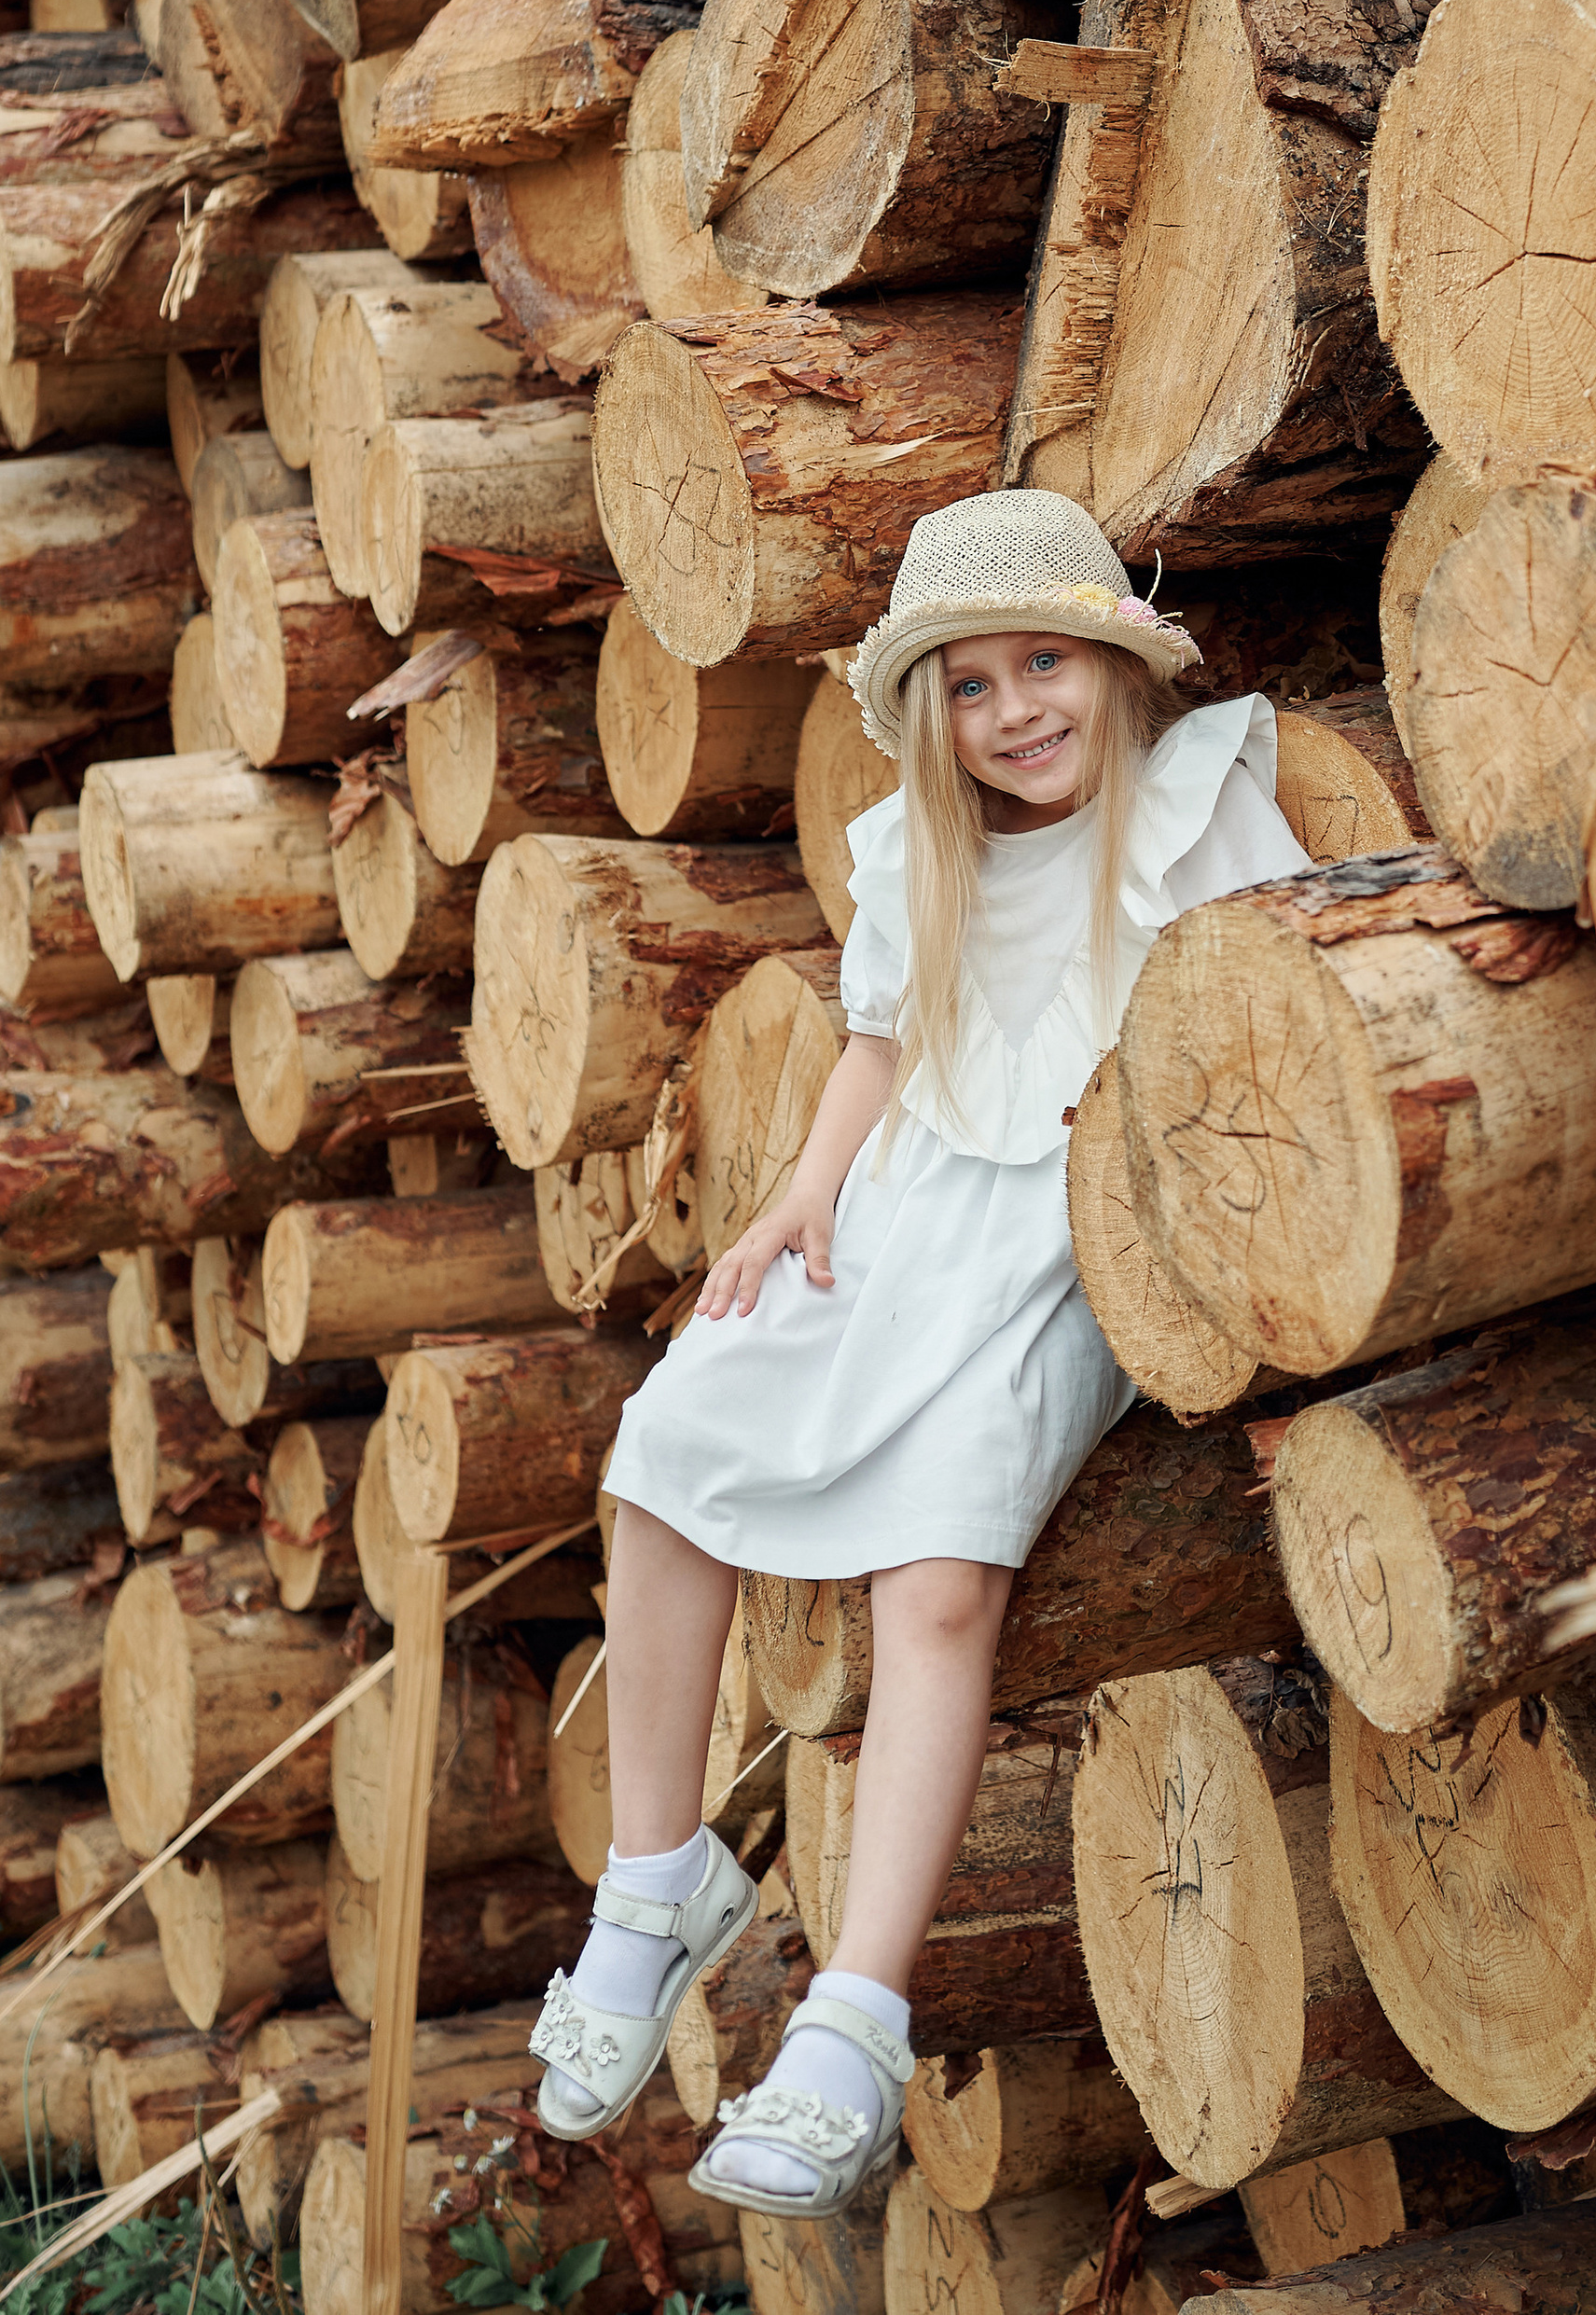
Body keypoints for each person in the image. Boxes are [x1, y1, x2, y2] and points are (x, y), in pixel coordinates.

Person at [526, 491, 1310, 2213]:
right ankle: (654, 1888)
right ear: (930, 715)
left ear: (1114, 662)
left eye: (1048, 664)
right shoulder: (918, 852)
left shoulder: (1198, 807)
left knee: (938, 1573)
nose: (1017, 709)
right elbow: (881, 1045)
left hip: (1073, 1226)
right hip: (904, 1206)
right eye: (971, 684)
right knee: (668, 1451)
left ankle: (857, 2020)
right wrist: (795, 1195)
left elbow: (1277, 1014)